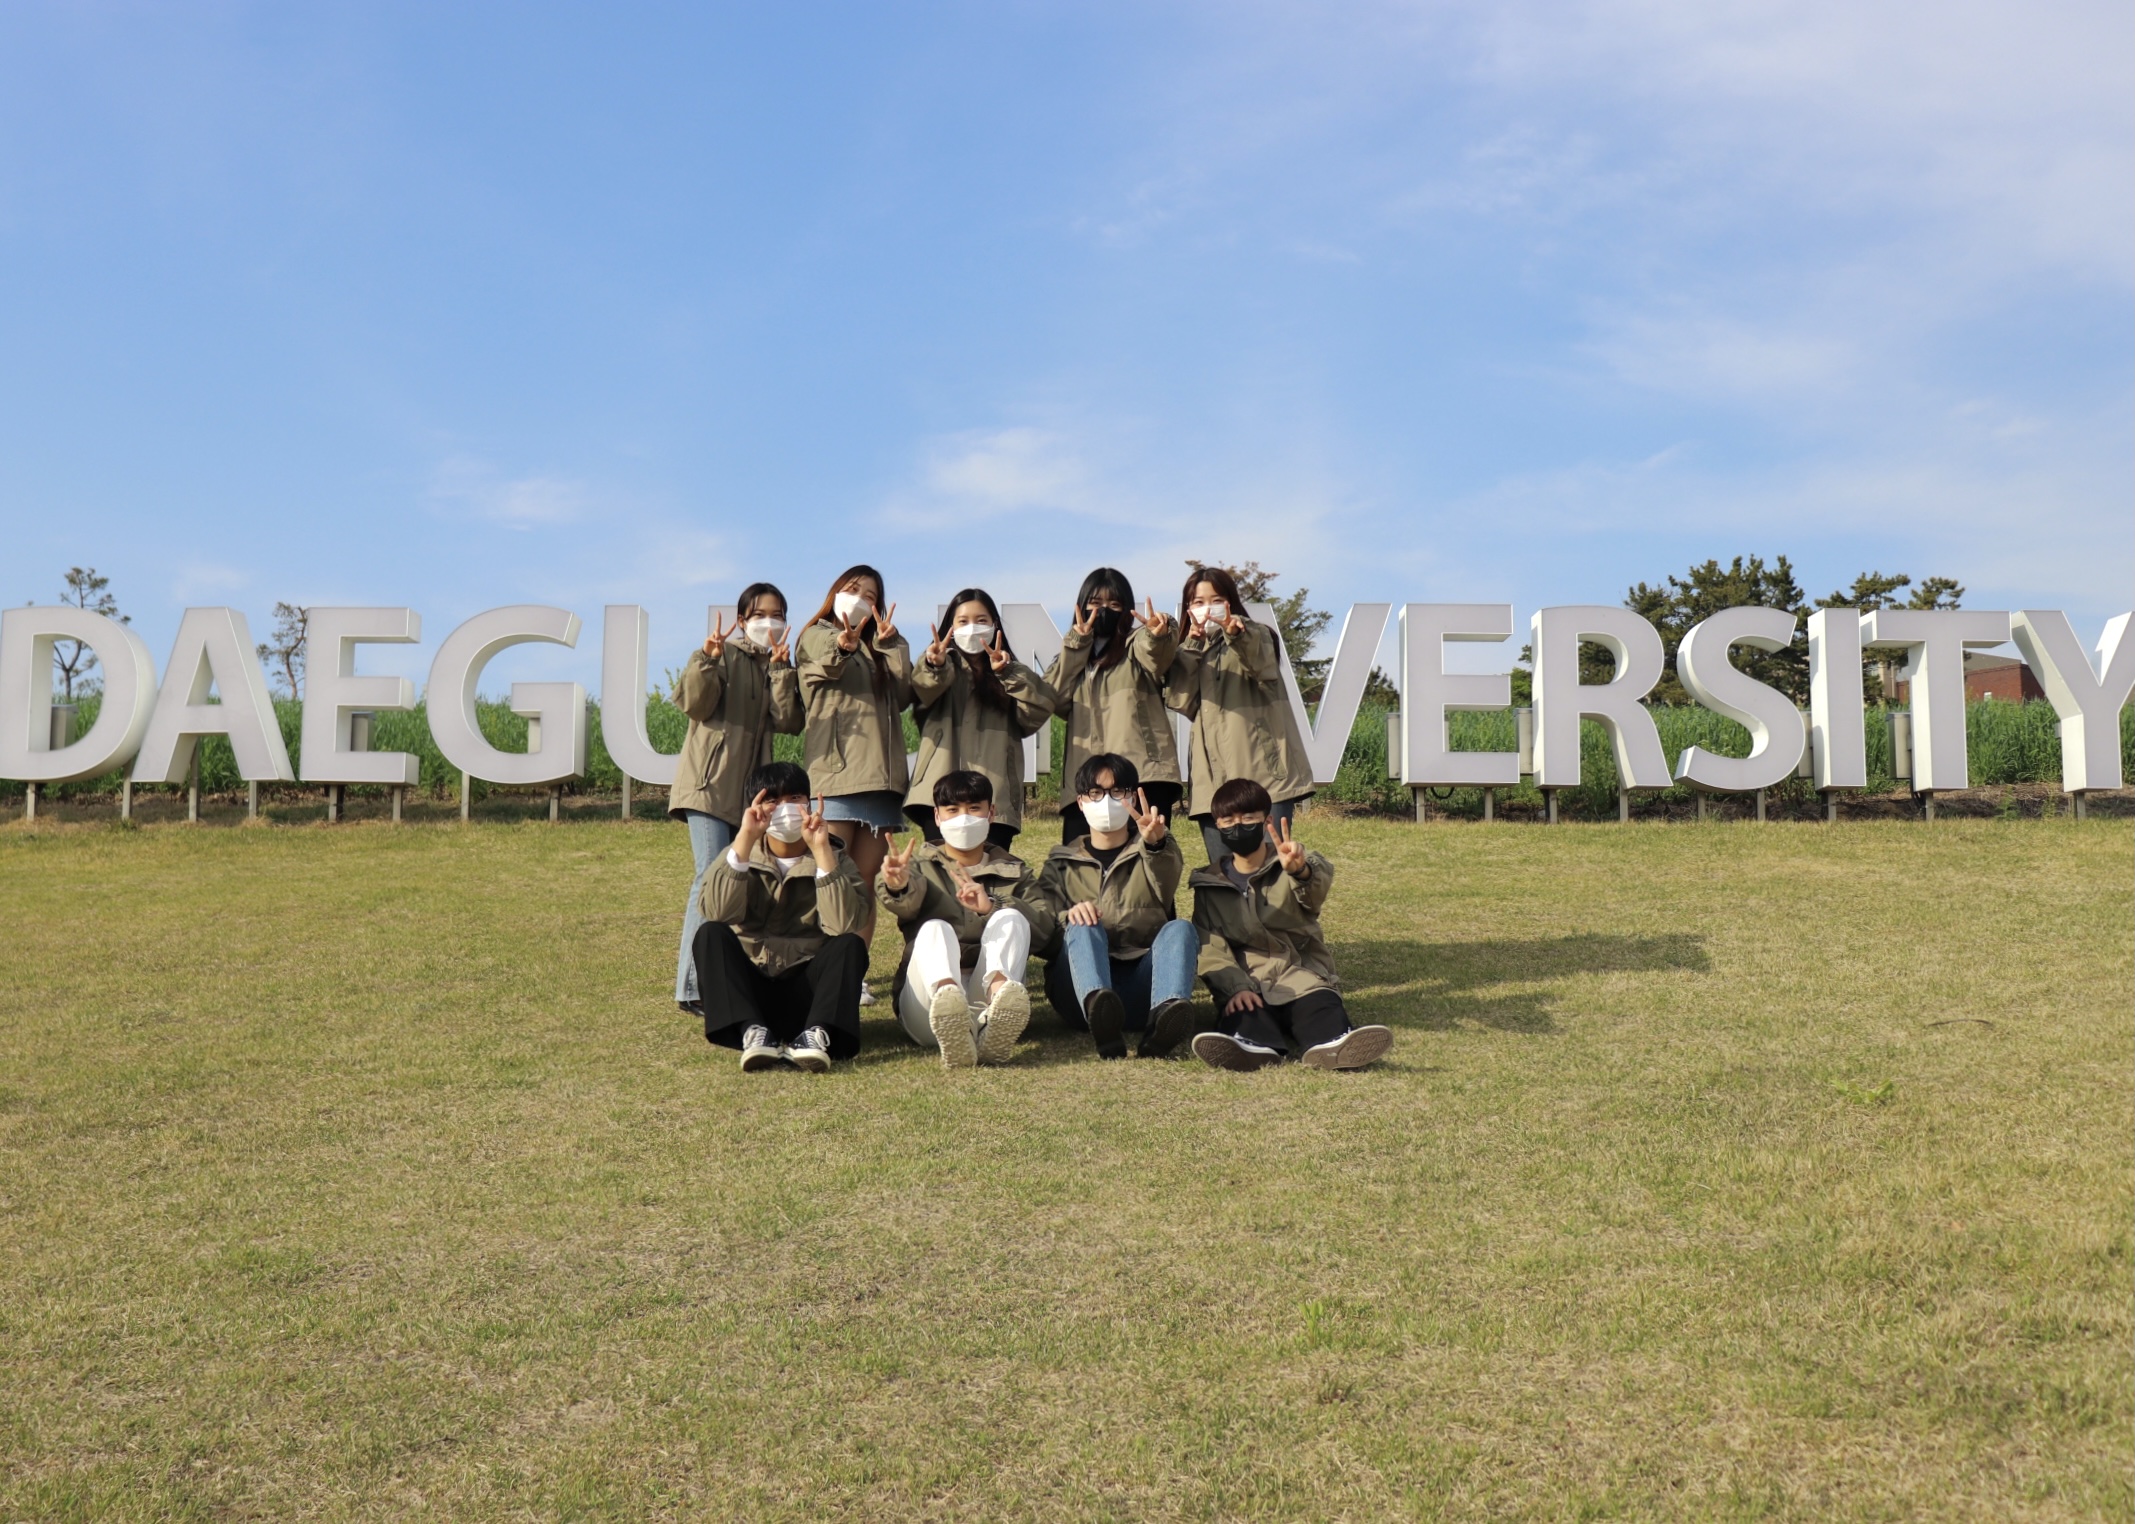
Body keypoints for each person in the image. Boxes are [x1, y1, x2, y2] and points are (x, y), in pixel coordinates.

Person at [1188, 776, 1392, 1072]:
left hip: (1299, 972)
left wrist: (1301, 872)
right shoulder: (1209, 884)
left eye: (1248, 818)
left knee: (1319, 1004)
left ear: (1267, 820)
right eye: (1228, 820)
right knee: (1244, 1012)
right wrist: (1235, 988)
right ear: (1217, 825)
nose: (1238, 826)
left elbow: (1314, 894)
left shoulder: (1291, 861)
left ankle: (1334, 1044)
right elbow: (1211, 948)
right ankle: (1251, 1047)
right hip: (1248, 981)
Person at [669, 582, 806, 1011]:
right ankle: (693, 987)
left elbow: (789, 722)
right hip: (708, 786)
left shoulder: (776, 664)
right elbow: (695, 704)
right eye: (760, 614)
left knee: (739, 879)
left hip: (750, 796)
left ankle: (729, 980)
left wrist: (781, 673)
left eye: (778, 614)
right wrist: (707, 659)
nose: (770, 622)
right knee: (710, 877)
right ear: (742, 620)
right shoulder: (722, 654)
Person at [694, 761, 870, 1073]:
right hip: (753, 993)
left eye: (795, 799)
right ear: (755, 807)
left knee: (850, 944)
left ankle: (816, 1034)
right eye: (773, 800)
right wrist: (745, 838)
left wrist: (822, 853)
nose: (785, 809)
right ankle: (752, 1031)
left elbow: (844, 923)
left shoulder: (836, 859)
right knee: (709, 934)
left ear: (810, 804)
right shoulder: (739, 853)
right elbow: (716, 911)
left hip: (808, 995)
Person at [879, 770, 1057, 1069]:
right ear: (937, 816)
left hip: (983, 996)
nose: (964, 818)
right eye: (953, 810)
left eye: (974, 808)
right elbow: (904, 906)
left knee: (1011, 917)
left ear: (991, 813)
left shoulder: (1015, 871)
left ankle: (998, 1010)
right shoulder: (919, 868)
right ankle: (950, 1005)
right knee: (935, 927)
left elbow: (1045, 931)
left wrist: (991, 907)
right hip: (928, 1008)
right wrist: (897, 885)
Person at [1037, 752, 1197, 1059]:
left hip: (1142, 984)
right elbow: (1041, 929)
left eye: (1117, 792)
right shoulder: (1060, 863)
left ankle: (1164, 1018)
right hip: (1078, 992)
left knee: (1180, 928)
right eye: (1096, 793)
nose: (1106, 801)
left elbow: (1166, 876)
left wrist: (1156, 844)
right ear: (1080, 802)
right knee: (1082, 923)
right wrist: (1067, 917)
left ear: (1132, 798)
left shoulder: (1155, 850)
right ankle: (1100, 1012)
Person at [796, 564, 912, 975]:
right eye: (852, 589)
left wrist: (891, 645)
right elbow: (824, 664)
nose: (860, 598)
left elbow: (903, 694)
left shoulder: (881, 644)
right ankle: (822, 970)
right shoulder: (816, 634)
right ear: (834, 592)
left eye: (870, 595)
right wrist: (844, 647)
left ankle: (853, 974)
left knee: (863, 886)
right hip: (835, 776)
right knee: (830, 877)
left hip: (881, 780)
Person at [1165, 564, 1315, 867]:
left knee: (1271, 873)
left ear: (1230, 602)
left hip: (1266, 780)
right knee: (1225, 876)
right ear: (1188, 608)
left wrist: (1234, 633)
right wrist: (1192, 645)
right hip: (1213, 785)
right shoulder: (1190, 650)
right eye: (1198, 602)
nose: (1207, 608)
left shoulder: (1258, 635)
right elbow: (1180, 699)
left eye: (1216, 600)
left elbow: (1260, 661)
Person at [907, 587, 1058, 851]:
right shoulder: (938, 666)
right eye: (963, 621)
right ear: (950, 627)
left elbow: (1038, 710)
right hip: (938, 792)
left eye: (981, 620)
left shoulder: (1010, 673)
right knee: (940, 871)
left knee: (992, 871)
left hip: (995, 796)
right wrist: (936, 665)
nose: (972, 628)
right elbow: (921, 688)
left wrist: (1008, 673)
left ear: (994, 625)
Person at [1046, 567, 1183, 844]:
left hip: (1143, 776)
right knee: (1081, 859)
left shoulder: (1135, 645)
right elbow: (1052, 699)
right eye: (1095, 603)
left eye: (1114, 604)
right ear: (1081, 606)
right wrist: (1076, 648)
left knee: (1147, 856)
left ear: (1127, 609)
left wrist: (1158, 633)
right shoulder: (1071, 654)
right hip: (1087, 782)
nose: (1104, 610)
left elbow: (1156, 654)